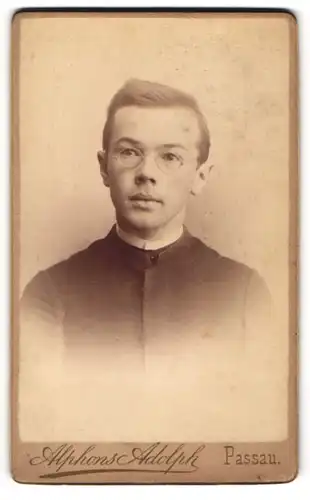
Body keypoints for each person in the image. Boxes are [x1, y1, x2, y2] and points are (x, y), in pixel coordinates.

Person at [19, 79, 275, 441]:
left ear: (200, 176)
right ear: (104, 167)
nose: (146, 173)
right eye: (128, 152)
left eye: (169, 156)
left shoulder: (245, 293)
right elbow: (37, 425)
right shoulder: (49, 293)